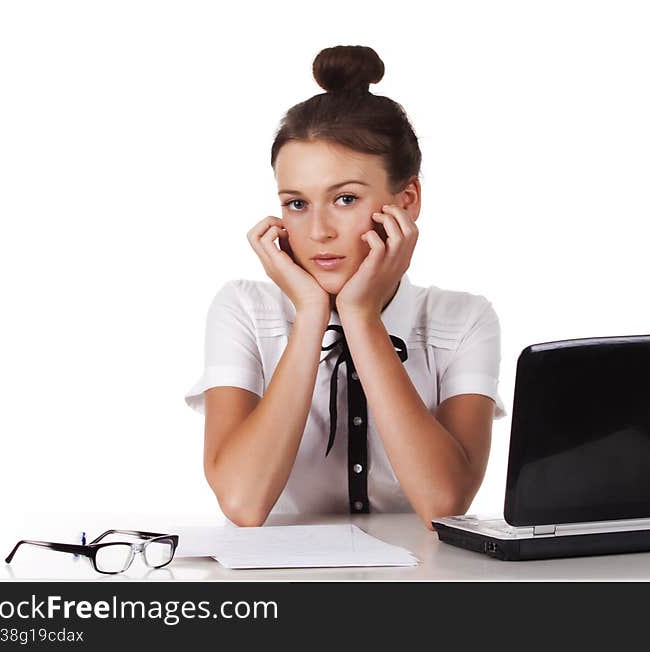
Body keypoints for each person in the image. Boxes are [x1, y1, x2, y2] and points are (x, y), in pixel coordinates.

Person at [184, 45, 506, 530]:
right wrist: (312, 312)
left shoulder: (464, 320)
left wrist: (360, 316)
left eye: (345, 199)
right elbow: (243, 503)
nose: (318, 231)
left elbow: (444, 504)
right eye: (296, 203)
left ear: (407, 200)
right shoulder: (243, 309)